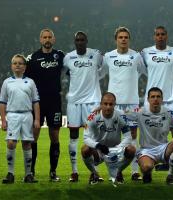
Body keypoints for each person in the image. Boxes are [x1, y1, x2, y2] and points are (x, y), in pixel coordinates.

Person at [141, 25, 173, 180]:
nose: (160, 36)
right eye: (157, 34)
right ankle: (146, 163)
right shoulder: (146, 52)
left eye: (163, 34)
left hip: (171, 99)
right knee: (148, 132)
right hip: (152, 99)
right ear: (154, 37)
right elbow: (142, 70)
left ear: (167, 36)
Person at [102, 26, 146, 180]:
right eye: (120, 37)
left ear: (129, 39)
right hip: (113, 105)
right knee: (114, 138)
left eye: (126, 37)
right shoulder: (108, 56)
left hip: (131, 103)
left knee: (132, 137)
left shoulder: (136, 56)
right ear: (116, 39)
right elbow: (101, 73)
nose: (123, 40)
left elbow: (143, 71)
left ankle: (134, 171)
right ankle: (116, 171)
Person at [63, 31, 103, 182]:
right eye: (77, 40)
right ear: (74, 42)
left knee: (92, 137)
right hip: (74, 102)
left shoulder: (96, 55)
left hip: (92, 102)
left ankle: (95, 171)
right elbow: (64, 73)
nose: (80, 42)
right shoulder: (68, 57)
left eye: (82, 40)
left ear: (87, 41)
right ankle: (74, 172)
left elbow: (104, 69)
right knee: (73, 136)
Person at [25, 28, 65, 181]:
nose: (47, 40)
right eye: (44, 37)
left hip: (54, 102)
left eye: (50, 37)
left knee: (55, 137)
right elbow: (25, 78)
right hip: (37, 104)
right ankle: (31, 172)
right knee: (33, 137)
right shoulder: (33, 58)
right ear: (40, 40)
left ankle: (53, 172)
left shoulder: (60, 56)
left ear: (53, 40)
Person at [128, 87, 173, 184]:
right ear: (148, 99)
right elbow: (121, 115)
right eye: (153, 97)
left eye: (158, 97)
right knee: (146, 168)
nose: (155, 99)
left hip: (164, 148)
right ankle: (147, 173)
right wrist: (102, 110)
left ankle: (170, 175)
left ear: (162, 99)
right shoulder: (140, 112)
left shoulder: (169, 112)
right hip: (147, 150)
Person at [0, 54, 40, 184]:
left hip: (27, 115)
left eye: (20, 63)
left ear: (24, 67)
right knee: (11, 143)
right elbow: (2, 102)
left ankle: (28, 175)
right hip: (12, 115)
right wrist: (3, 119)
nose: (17, 65)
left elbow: (36, 102)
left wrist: (37, 119)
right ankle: (10, 173)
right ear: (11, 66)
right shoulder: (7, 82)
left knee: (27, 144)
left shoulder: (31, 82)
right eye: (15, 63)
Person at [81, 92, 135, 185]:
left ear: (115, 105)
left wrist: (118, 148)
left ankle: (118, 172)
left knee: (131, 149)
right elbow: (86, 137)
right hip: (99, 150)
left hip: (116, 150)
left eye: (111, 104)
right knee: (85, 149)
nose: (108, 107)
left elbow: (128, 136)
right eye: (105, 104)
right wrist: (98, 145)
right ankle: (94, 173)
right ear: (101, 104)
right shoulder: (92, 116)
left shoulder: (121, 116)